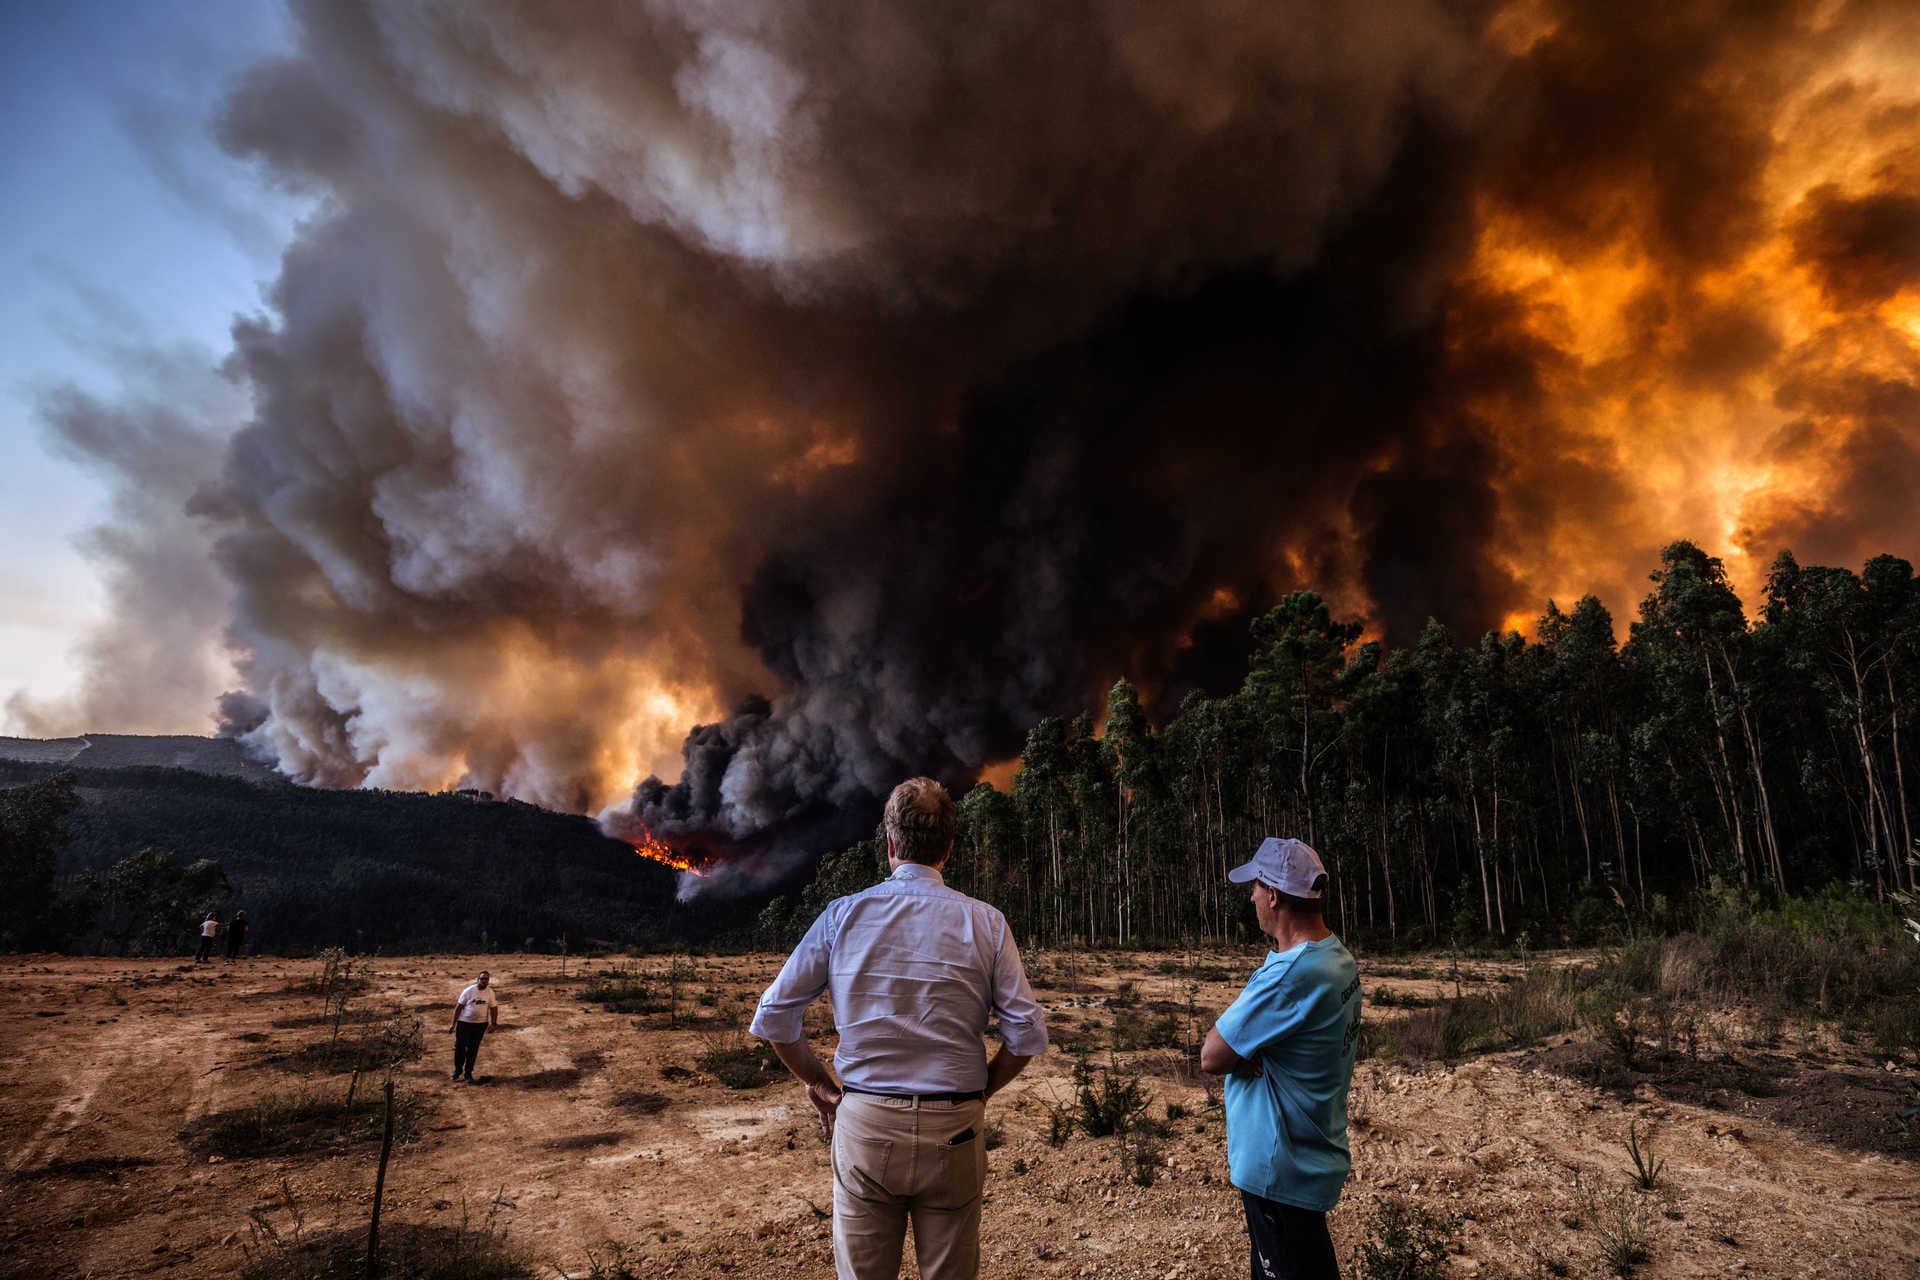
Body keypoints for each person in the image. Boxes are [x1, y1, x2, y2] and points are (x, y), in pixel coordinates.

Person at [751, 777, 1049, 1280]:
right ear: (949, 849)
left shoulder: (842, 916)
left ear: (889, 842)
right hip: (955, 1127)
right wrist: (980, 1092)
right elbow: (1025, 1036)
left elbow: (776, 1016)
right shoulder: (988, 924)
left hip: (865, 1123)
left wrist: (819, 1082)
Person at [1200, 838, 1362, 1280]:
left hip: (1280, 1166)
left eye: (1255, 887)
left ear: (1273, 896)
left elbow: (1212, 1055)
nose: (1251, 897)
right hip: (1311, 1153)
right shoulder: (1337, 959)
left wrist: (1245, 1052)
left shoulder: (1289, 974)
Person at [449, 969, 498, 1082]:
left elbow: (494, 1008)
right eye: (482, 979)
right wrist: (453, 1024)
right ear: (477, 980)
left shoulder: (490, 992)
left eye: (486, 979)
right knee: (460, 1048)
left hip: (480, 1025)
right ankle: (457, 1072)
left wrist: (494, 1023)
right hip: (464, 1024)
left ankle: (468, 1073)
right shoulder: (469, 991)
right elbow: (458, 1008)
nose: (484, 981)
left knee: (473, 1049)